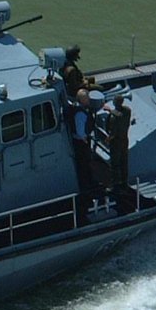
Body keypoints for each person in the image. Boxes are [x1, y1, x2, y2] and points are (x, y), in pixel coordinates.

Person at [69, 89, 101, 218]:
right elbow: (80, 131)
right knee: (84, 165)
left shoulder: (76, 109)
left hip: (79, 141)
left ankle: (88, 185)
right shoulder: (80, 114)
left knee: (85, 165)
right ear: (82, 100)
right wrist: (86, 138)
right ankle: (86, 191)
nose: (88, 99)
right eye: (87, 98)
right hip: (80, 142)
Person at [102, 93, 134, 211]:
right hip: (124, 140)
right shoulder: (127, 111)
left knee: (115, 165)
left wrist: (107, 138)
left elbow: (112, 132)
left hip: (116, 143)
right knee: (124, 162)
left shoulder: (113, 117)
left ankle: (116, 186)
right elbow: (122, 115)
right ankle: (124, 184)